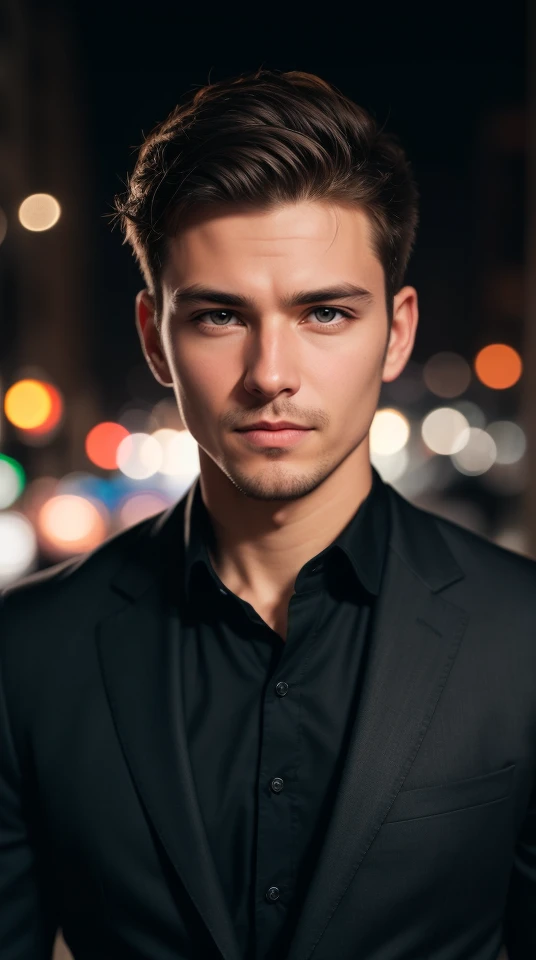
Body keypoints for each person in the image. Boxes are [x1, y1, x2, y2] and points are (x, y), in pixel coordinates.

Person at [0, 68, 534, 960]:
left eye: (325, 312)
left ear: (396, 332)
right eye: (218, 316)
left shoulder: (522, 635)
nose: (271, 373)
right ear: (153, 338)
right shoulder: (26, 653)